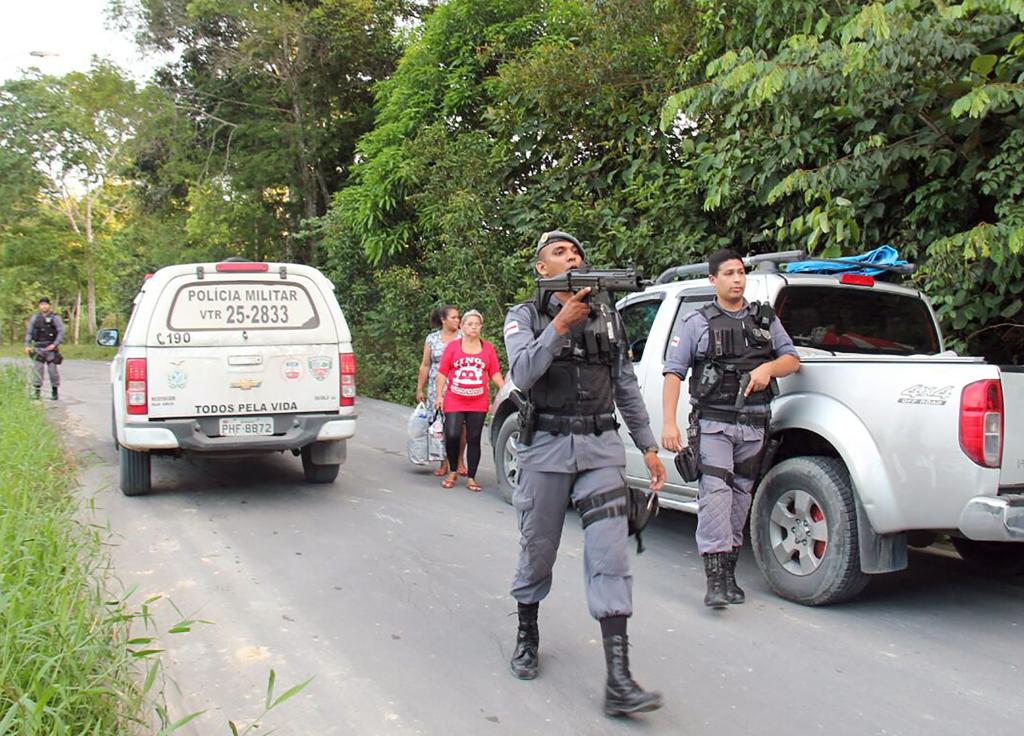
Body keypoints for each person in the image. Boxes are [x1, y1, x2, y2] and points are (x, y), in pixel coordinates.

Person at [502, 230, 666, 718]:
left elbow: (625, 386)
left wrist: (649, 446)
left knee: (610, 555)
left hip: (600, 449)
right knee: (538, 548)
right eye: (559, 252)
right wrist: (558, 328)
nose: (571, 256)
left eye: (575, 251)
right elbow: (522, 375)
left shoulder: (608, 316)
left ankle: (619, 679)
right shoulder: (524, 316)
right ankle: (527, 633)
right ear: (542, 269)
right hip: (545, 448)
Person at [661, 247, 800, 608]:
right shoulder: (697, 321)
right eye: (729, 274)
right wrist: (668, 423)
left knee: (740, 500)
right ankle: (715, 581)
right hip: (714, 424)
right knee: (715, 498)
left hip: (754, 425)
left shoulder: (764, 319)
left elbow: (791, 359)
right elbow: (673, 372)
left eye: (741, 272)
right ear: (713, 280)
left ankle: (730, 574)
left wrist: (768, 369)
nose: (737, 279)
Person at [434, 310, 504, 492]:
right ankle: (453, 470)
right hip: (454, 398)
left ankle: (472, 477)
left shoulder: (487, 348)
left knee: (474, 438)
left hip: (478, 401)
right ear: (462, 327)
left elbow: (494, 372)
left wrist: (504, 390)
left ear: (481, 327)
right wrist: (439, 396)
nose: (473, 327)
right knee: (452, 434)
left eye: (477, 324)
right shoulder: (453, 347)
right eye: (469, 324)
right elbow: (442, 372)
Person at [416, 305, 467, 476]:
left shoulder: (463, 337)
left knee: (460, 426)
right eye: (453, 317)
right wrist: (419, 389)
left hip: (458, 385)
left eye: (458, 317)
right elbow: (425, 365)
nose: (457, 321)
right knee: (440, 426)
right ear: (443, 320)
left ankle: (460, 460)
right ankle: (443, 461)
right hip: (435, 388)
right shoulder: (432, 339)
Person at [23, 297, 64, 400]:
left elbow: (60, 332)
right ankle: (37, 393)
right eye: (42, 304)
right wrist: (27, 345)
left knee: (53, 372)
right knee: (38, 371)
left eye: (45, 304)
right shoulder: (35, 318)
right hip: (38, 348)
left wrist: (55, 344)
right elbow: (29, 332)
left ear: (49, 305)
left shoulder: (55, 318)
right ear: (39, 306)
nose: (44, 306)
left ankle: (55, 392)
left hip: (51, 348)